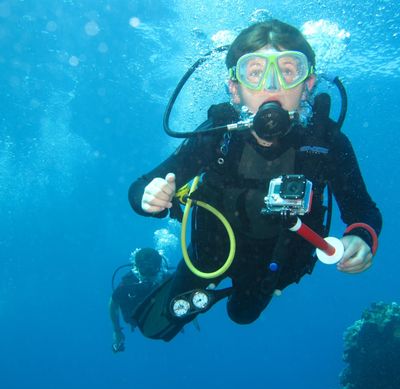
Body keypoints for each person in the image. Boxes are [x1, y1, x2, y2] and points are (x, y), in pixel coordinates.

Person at [128, 19, 382, 340]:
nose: (272, 85)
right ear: (235, 89)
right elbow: (141, 187)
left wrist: (361, 238)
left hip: (274, 266)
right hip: (209, 254)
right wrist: (150, 198)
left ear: (308, 84)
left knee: (242, 315)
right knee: (159, 324)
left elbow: (363, 211)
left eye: (288, 70)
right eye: (255, 72)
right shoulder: (217, 136)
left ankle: (232, 298)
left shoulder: (326, 143)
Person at [109, 247, 166, 352]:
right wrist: (116, 330)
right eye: (144, 268)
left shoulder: (166, 279)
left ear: (158, 267)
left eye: (151, 269)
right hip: (137, 320)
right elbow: (113, 303)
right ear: (137, 267)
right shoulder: (128, 283)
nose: (148, 274)